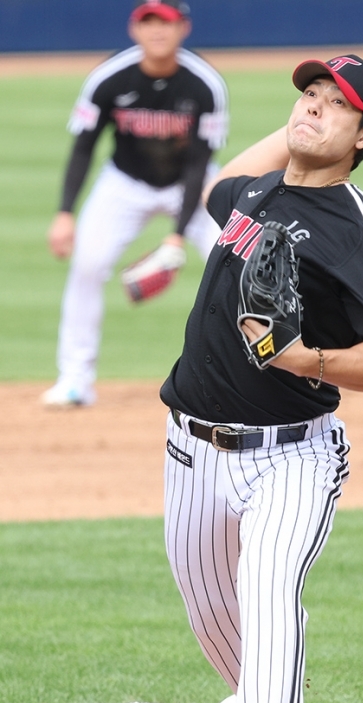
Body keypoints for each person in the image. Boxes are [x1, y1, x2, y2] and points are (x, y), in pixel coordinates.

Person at [161, 54, 363, 703]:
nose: (310, 108)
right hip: (189, 451)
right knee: (212, 612)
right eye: (306, 96)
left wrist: (311, 360)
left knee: (270, 600)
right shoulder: (255, 193)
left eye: (333, 105)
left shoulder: (361, 225)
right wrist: (300, 131)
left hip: (292, 456)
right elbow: (219, 183)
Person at [43, 0, 228, 407]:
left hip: (193, 185)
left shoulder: (204, 83)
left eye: (166, 22)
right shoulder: (110, 77)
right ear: (134, 29)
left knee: (237, 262)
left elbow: (200, 161)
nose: (157, 30)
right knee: (88, 265)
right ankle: (74, 378)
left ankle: (255, 377)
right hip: (124, 184)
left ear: (184, 28)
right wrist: (63, 214)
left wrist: (176, 237)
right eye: (149, 22)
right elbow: (83, 148)